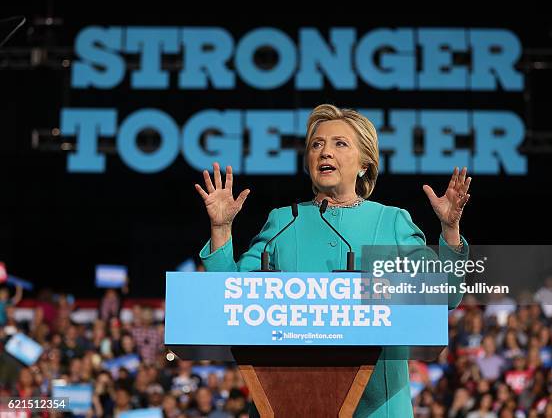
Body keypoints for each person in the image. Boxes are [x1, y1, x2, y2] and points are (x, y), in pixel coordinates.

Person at [194, 104, 472, 417]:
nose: (325, 152)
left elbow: (446, 293)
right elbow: (227, 298)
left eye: (340, 144)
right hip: (286, 403)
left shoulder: (391, 221)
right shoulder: (283, 222)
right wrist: (220, 229)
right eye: (317, 144)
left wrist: (450, 230)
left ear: (364, 164)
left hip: (377, 407)